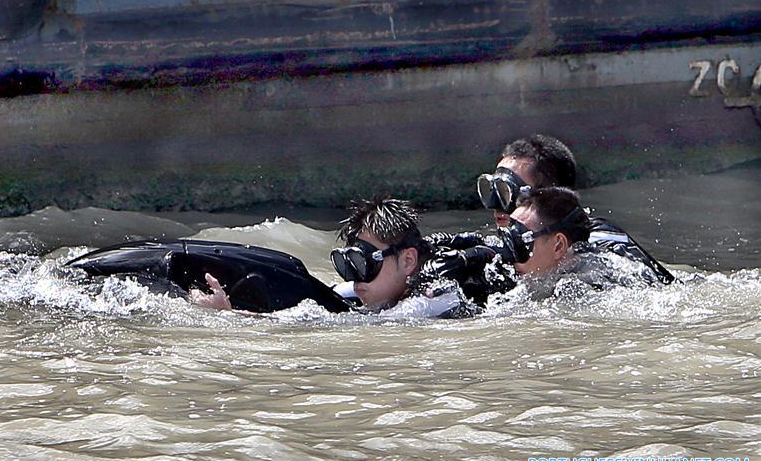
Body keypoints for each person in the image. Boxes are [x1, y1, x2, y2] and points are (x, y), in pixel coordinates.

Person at [193, 198, 482, 318]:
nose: (356, 277)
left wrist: (235, 318)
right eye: (350, 263)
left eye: (366, 263)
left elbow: (368, 326)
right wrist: (233, 306)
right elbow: (310, 312)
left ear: (407, 262)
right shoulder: (357, 292)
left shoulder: (438, 299)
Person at [471, 134, 675, 284]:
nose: (496, 206)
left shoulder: (592, 244)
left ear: (550, 197)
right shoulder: (520, 247)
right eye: (493, 190)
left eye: (507, 193)